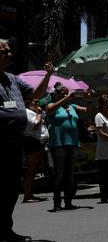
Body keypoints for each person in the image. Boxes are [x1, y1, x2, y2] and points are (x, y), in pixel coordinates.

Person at [0, 39, 52, 242]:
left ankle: (5, 229)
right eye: (5, 51)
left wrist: (48, 76)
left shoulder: (12, 79)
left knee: (12, 187)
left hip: (14, 142)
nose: (10, 54)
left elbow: (36, 95)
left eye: (10, 51)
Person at [45, 84, 91, 212]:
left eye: (67, 93)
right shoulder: (52, 105)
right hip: (58, 143)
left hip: (73, 143)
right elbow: (50, 110)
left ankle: (68, 201)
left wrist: (88, 100)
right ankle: (56, 202)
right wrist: (66, 98)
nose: (65, 95)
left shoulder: (73, 107)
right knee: (59, 173)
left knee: (70, 174)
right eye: (63, 93)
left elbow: (89, 112)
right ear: (57, 94)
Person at [22, 98, 49, 203]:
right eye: (35, 102)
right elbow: (35, 124)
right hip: (32, 142)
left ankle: (30, 194)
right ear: (28, 103)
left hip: (39, 142)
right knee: (31, 170)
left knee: (34, 170)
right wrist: (38, 113)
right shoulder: (27, 112)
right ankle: (27, 196)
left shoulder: (35, 112)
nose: (38, 104)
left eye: (38, 102)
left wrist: (40, 113)